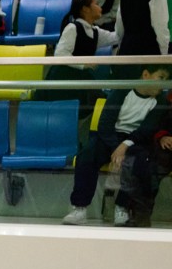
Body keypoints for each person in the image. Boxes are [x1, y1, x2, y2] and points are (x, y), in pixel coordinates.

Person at [61, 64, 171, 225]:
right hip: (110, 137)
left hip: (135, 140)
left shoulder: (161, 101)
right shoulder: (122, 92)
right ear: (146, 75)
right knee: (87, 156)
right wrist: (116, 148)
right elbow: (105, 123)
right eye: (161, 77)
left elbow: (147, 129)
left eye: (166, 79)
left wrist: (124, 146)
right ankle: (80, 207)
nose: (164, 83)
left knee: (139, 162)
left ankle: (122, 207)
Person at [40, 0, 120, 114]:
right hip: (63, 79)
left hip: (80, 79)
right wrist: (83, 64)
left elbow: (117, 37)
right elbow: (60, 54)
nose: (100, 7)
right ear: (85, 9)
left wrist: (121, 16)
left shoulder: (95, 31)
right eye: (96, 4)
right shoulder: (72, 28)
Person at [117, 107, 172, 226]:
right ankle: (140, 217)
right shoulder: (166, 107)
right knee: (148, 170)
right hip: (166, 151)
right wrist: (163, 137)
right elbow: (158, 126)